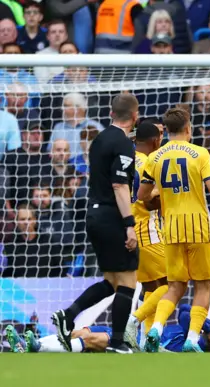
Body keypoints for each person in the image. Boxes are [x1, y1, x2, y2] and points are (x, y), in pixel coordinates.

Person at [51, 94, 141, 354]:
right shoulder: (123, 143)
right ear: (134, 116)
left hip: (94, 214)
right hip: (113, 217)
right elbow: (119, 185)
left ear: (112, 114)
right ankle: (117, 342)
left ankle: (68, 316)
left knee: (112, 281)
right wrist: (129, 224)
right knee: (128, 280)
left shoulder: (99, 139)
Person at [137, 107, 210, 353]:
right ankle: (192, 339)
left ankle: (154, 328)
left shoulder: (155, 157)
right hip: (198, 227)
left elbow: (143, 195)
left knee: (175, 287)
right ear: (188, 128)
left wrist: (161, 194)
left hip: (171, 228)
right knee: (203, 286)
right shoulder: (199, 153)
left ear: (166, 131)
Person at [6, 305, 210, 353]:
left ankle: (35, 349)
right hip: (138, 335)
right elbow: (184, 310)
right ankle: (31, 344)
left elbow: (183, 314)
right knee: (79, 332)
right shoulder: (195, 331)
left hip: (140, 348)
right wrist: (207, 326)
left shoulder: (195, 349)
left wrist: (209, 330)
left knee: (92, 338)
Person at [123, 122, 168, 349]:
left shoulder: (127, 160)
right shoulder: (149, 163)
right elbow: (149, 202)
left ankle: (148, 341)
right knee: (171, 285)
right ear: (154, 141)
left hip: (129, 230)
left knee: (151, 288)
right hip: (147, 231)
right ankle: (133, 321)